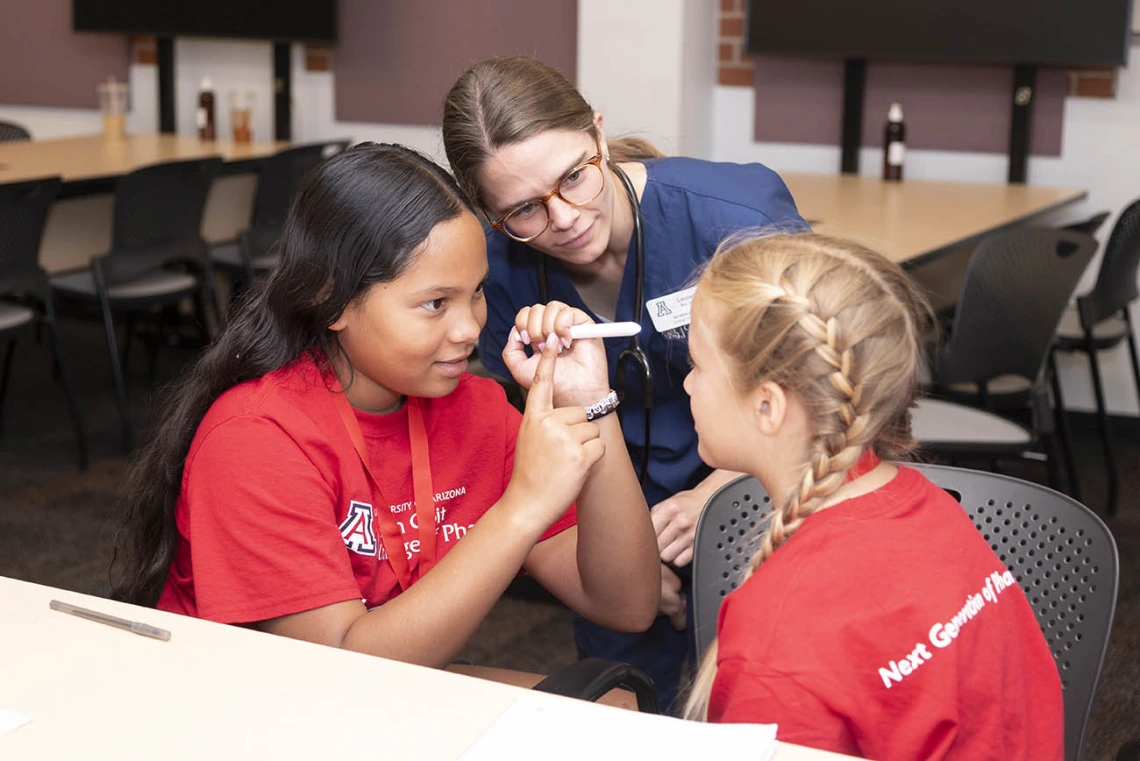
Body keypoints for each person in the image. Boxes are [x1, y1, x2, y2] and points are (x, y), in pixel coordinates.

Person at [109, 143, 660, 672]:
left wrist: (593, 404)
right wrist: (521, 507)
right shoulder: (256, 437)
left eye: (476, 292)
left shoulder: (475, 409)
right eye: (435, 304)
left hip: (384, 689)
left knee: (621, 712)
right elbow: (343, 672)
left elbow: (626, 605)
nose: (470, 328)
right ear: (331, 300)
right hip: (259, 707)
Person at [442, 55, 808, 706]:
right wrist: (626, 558)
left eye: (575, 177)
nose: (563, 218)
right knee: (634, 708)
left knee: (759, 699)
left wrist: (717, 500)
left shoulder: (732, 214)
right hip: (600, 502)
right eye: (523, 209)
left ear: (600, 135)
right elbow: (533, 432)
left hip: (757, 490)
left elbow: (818, 389)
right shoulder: (497, 271)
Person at [680, 232, 1063, 760]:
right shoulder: (928, 507)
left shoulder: (776, 646)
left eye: (697, 364)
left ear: (767, 407)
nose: (687, 385)